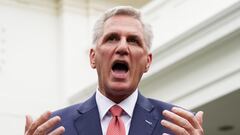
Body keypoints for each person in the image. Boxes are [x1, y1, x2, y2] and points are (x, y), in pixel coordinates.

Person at [24, 6, 204, 135]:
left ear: (147, 62)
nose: (122, 48)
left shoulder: (180, 127)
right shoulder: (55, 128)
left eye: (133, 41)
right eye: (112, 38)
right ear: (93, 57)